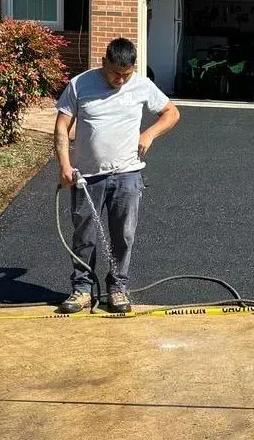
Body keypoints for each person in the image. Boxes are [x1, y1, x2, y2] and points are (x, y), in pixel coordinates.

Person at [54, 38, 180, 314]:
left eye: (126, 74)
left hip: (127, 175)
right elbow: (63, 125)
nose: (120, 80)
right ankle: (83, 289)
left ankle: (118, 288)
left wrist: (149, 133)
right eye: (114, 73)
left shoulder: (142, 84)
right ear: (104, 62)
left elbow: (171, 113)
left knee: (123, 235)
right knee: (84, 235)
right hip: (87, 176)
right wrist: (64, 165)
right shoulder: (80, 84)